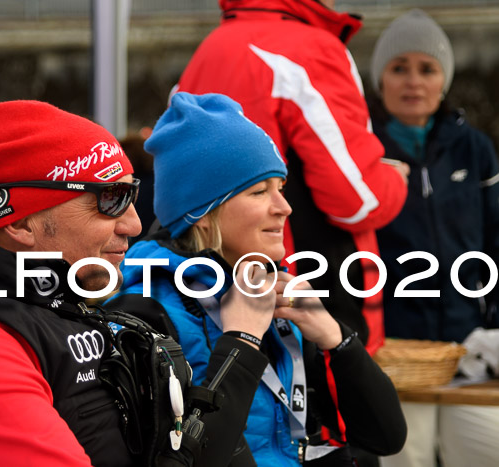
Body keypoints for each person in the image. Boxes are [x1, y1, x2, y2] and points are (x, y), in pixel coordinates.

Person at [0, 100, 275, 467]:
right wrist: (239, 345)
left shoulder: (55, 302)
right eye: (110, 200)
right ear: (21, 222)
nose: (135, 225)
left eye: (133, 196)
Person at [111, 92, 407, 466]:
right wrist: (241, 340)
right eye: (258, 192)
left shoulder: (276, 290)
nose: (284, 207)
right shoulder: (145, 313)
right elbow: (189, 459)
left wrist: (335, 338)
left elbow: (385, 436)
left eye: (280, 188)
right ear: (202, 213)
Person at [176, 0, 409, 354]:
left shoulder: (210, 47)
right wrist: (395, 179)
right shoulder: (310, 48)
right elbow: (356, 200)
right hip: (301, 291)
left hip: (212, 283)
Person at [367, 10, 499, 467]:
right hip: (398, 352)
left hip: (470, 348)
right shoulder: (363, 151)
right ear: (379, 79)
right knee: (408, 458)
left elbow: (495, 238)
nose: (413, 81)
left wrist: (493, 324)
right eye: (398, 67)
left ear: (444, 79)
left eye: (427, 68)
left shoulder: (475, 149)